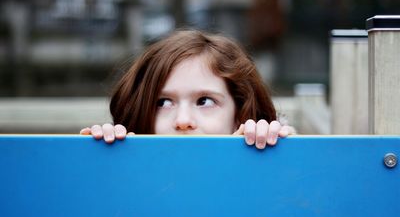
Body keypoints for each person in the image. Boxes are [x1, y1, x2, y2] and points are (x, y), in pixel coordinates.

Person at [80, 30, 295, 149]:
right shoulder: (123, 172)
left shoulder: (266, 166)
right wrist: (103, 157)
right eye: (163, 102)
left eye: (204, 101)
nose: (183, 121)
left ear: (239, 115)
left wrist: (280, 150)